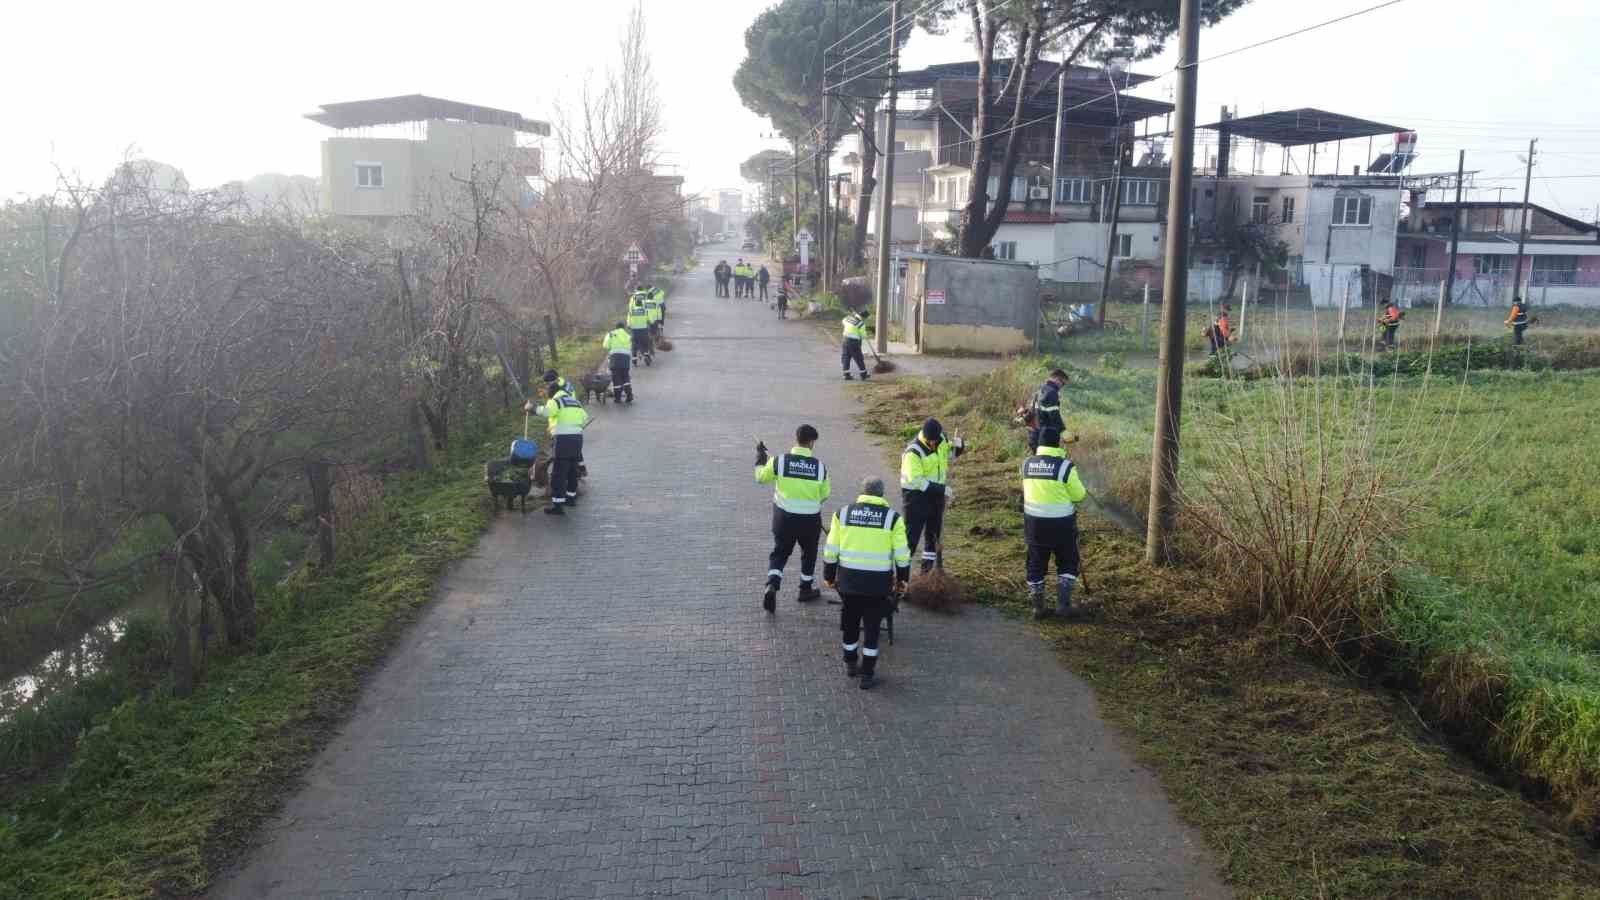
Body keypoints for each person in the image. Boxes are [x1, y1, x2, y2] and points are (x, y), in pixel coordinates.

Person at [822, 477, 911, 690]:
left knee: (850, 624)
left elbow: (831, 550)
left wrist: (829, 576)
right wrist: (902, 580)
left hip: (849, 583)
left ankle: (850, 663)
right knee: (871, 630)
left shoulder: (842, 514)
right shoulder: (892, 519)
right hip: (877, 586)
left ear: (862, 492)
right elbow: (902, 555)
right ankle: (868, 675)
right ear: (881, 495)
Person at [754, 424, 831, 613]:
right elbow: (825, 494)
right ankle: (805, 589)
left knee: (780, 552)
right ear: (812, 442)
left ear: (796, 439)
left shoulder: (779, 461)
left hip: (783, 518)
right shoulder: (820, 468)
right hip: (810, 521)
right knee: (809, 553)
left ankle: (772, 584)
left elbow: (760, 478)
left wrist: (761, 460)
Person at [1021, 428, 1089, 620]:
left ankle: (1038, 607)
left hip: (1034, 527)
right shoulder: (1065, 467)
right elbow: (1079, 495)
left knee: (1035, 564)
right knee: (1068, 562)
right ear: (1057, 444)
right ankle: (1063, 606)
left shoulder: (1026, 465)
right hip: (1062, 527)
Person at [900, 418, 964, 573]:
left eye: (936, 441)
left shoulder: (941, 439)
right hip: (915, 498)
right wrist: (941, 489)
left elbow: (948, 455)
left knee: (933, 536)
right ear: (925, 437)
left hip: (935, 497)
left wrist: (958, 446)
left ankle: (925, 575)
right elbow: (916, 481)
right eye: (931, 441)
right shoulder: (913, 452)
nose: (934, 444)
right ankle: (901, 578)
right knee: (911, 539)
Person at [527, 370, 589, 515]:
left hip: (563, 440)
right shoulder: (575, 402)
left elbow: (547, 412)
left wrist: (532, 408)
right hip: (577, 439)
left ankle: (558, 505)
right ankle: (571, 499)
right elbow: (585, 418)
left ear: (552, 393)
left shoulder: (556, 401)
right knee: (572, 470)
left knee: (559, 473)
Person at [1025, 369, 1068, 453]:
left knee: (1037, 462)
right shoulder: (1052, 392)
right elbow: (1053, 414)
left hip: (1034, 436)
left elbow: (1031, 411)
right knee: (1048, 462)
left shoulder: (1039, 391)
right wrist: (1063, 431)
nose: (1061, 387)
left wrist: (1024, 419)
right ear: (1057, 379)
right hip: (1046, 437)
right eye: (1062, 384)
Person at [602, 321, 635, 404]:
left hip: (615, 359)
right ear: (623, 328)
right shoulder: (628, 336)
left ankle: (618, 398)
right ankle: (629, 395)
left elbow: (605, 345)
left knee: (616, 378)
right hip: (625, 359)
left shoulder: (611, 334)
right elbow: (631, 347)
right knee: (625, 377)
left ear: (616, 327)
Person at [841, 310, 870, 380]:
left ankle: (846, 374)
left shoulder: (848, 318)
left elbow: (843, 321)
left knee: (846, 357)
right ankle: (863, 374)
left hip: (845, 340)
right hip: (854, 342)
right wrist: (866, 336)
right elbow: (863, 335)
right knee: (859, 358)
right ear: (864, 317)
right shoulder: (861, 324)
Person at [626, 295, 653, 365]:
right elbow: (649, 320)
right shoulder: (645, 311)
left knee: (634, 344)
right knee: (645, 343)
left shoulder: (631, 312)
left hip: (635, 331)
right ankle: (646, 355)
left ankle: (634, 359)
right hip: (644, 330)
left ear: (635, 304)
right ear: (641, 304)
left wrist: (629, 326)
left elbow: (628, 323)